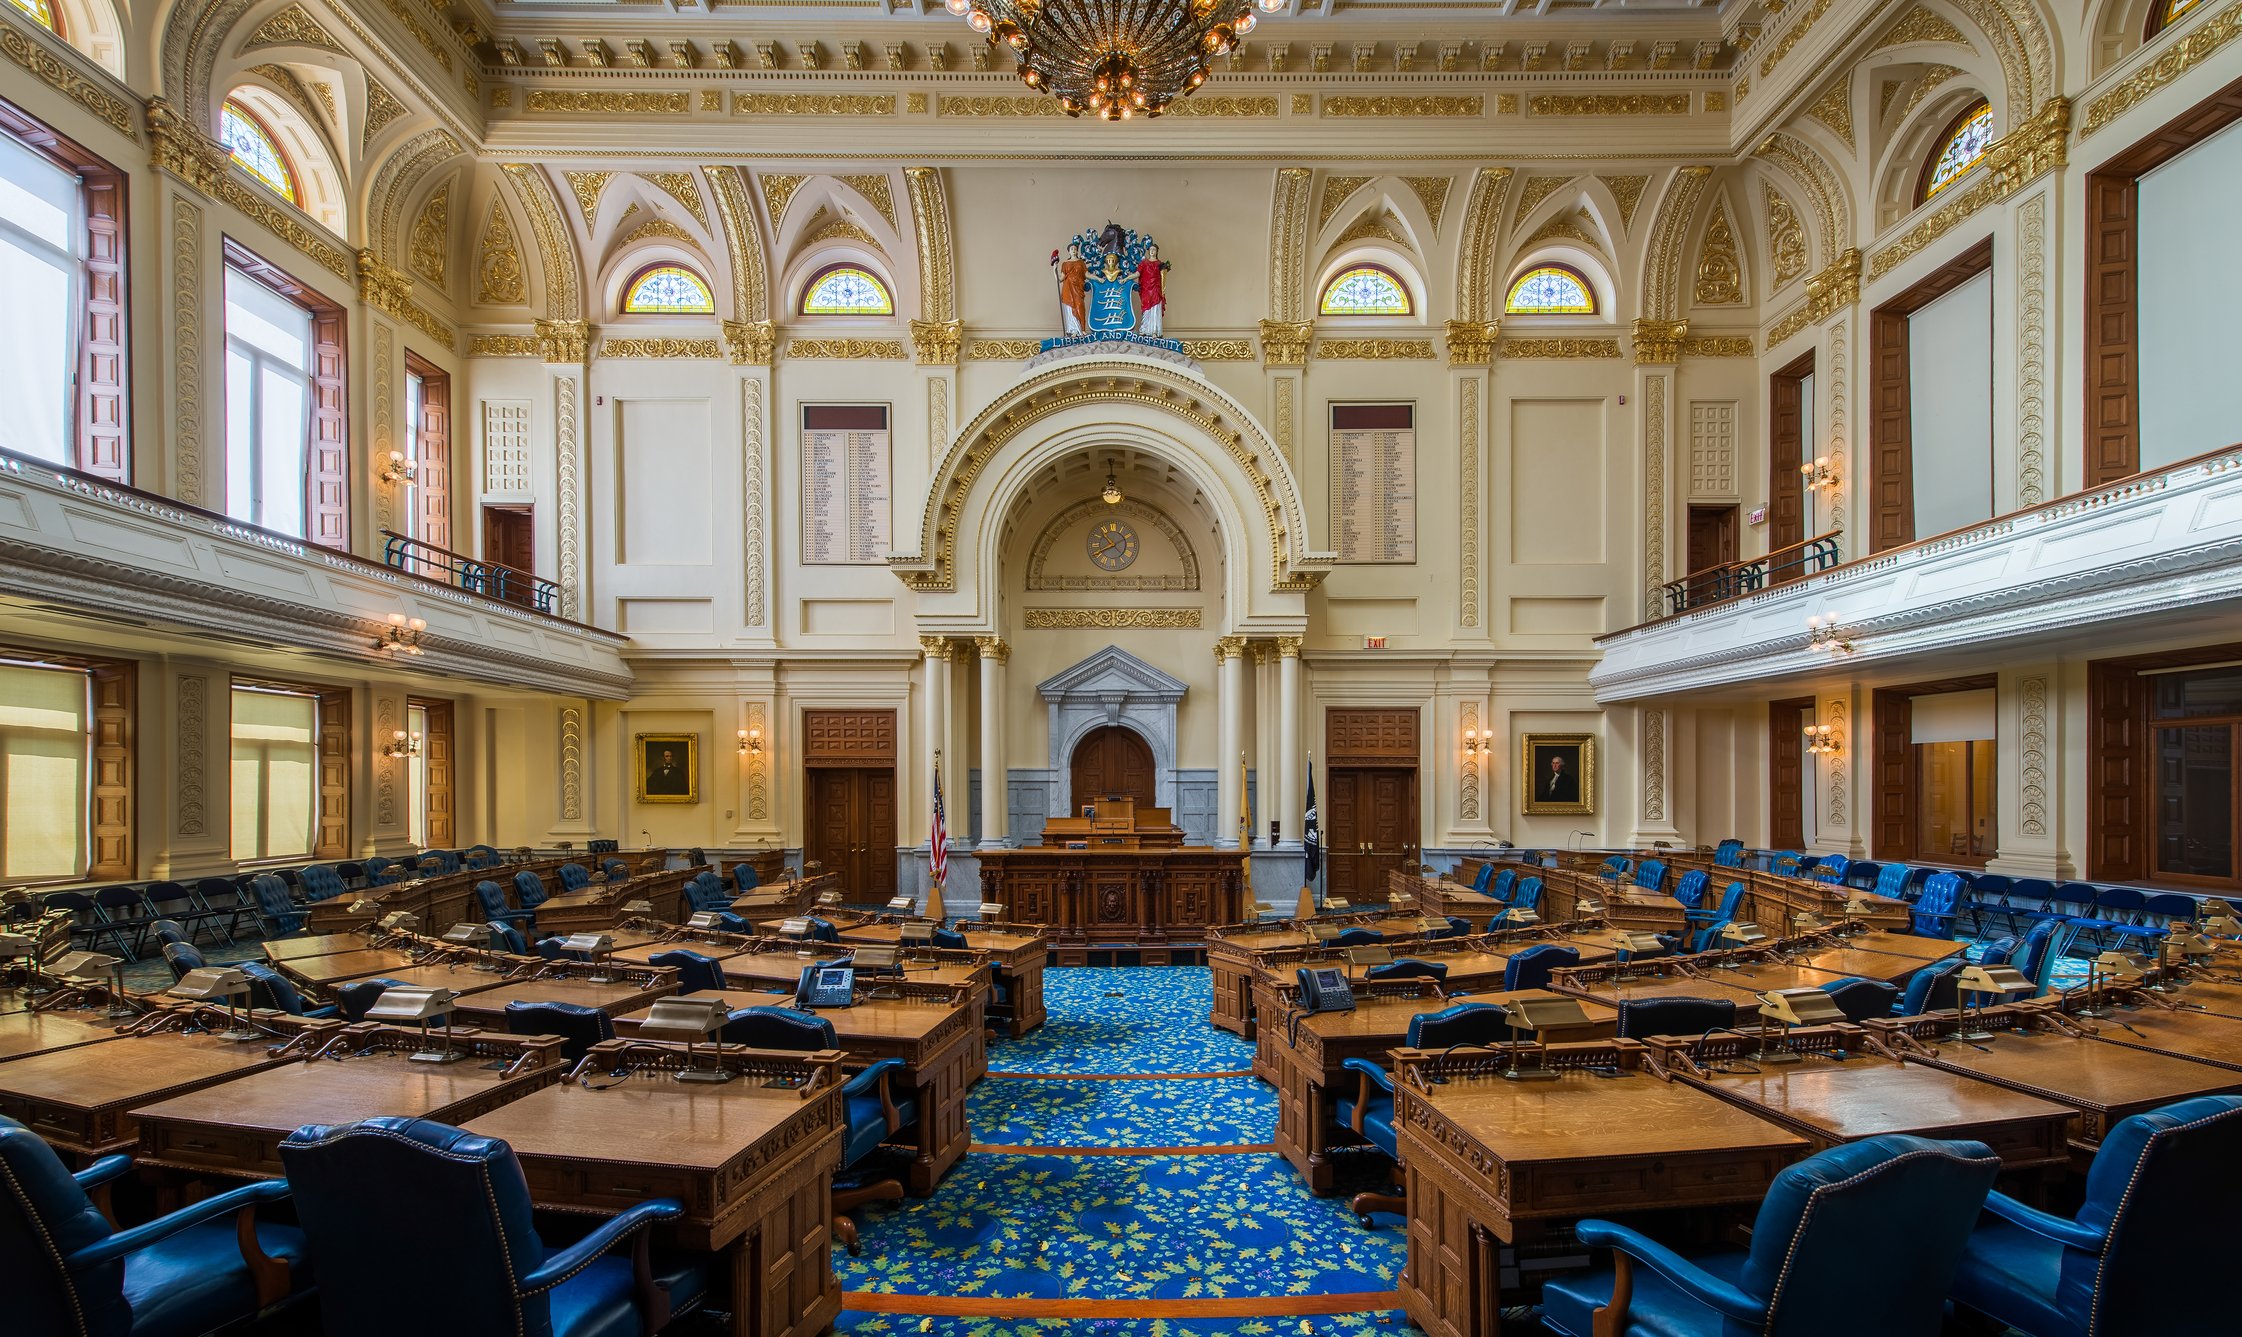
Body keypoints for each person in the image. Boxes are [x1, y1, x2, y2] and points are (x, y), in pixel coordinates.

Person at [1052, 243, 1087, 335]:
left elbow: (1087, 274)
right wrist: (1054, 269)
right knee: (1070, 308)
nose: (1073, 250)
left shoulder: (1081, 262)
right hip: (1068, 289)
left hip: (1078, 288)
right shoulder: (1065, 264)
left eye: (1075, 249)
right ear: (1069, 251)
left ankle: (1082, 330)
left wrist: (1098, 279)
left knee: (1080, 306)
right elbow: (1060, 279)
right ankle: (1073, 330)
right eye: (1071, 249)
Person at [1136, 243, 1170, 336]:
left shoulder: (1160, 264)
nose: (1152, 251)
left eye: (1154, 249)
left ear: (1157, 251)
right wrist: (1126, 279)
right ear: (1148, 251)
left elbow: (1163, 277)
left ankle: (1155, 330)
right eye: (1150, 249)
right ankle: (1144, 329)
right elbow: (1137, 274)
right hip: (1146, 289)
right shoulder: (1144, 263)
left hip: (1156, 289)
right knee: (1146, 309)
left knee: (1155, 309)